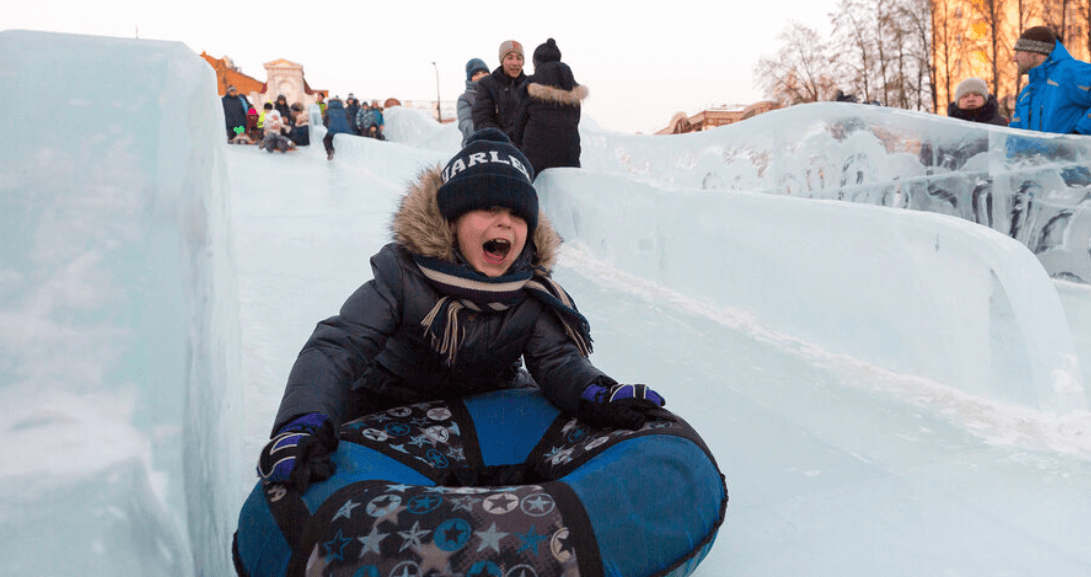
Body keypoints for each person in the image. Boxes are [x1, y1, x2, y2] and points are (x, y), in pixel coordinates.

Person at [256, 129, 669, 491]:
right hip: (387, 406)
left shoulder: (530, 291)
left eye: (516, 214)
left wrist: (597, 392)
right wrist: (303, 421)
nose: (505, 224)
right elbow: (337, 347)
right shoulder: (403, 275)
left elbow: (558, 360)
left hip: (484, 413)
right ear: (453, 219)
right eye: (489, 209)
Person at [515, 38, 589, 177]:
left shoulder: (529, 86)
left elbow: (519, 126)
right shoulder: (573, 89)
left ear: (536, 62)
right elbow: (575, 121)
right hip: (569, 158)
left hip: (535, 161)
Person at [1010, 26, 1091, 134]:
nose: (1014, 59)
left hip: (1076, 150)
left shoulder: (1068, 72)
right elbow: (1014, 137)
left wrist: (1079, 133)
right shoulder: (1026, 94)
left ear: (1035, 53)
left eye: (1018, 52)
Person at [471, 40, 527, 143]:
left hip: (526, 149)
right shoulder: (487, 84)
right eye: (510, 58)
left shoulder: (529, 84)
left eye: (519, 58)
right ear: (502, 60)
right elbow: (482, 119)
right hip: (499, 146)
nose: (515, 63)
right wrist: (503, 141)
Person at [457, 58, 490, 146]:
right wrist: (488, 132)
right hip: (474, 145)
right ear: (470, 78)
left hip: (499, 144)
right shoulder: (464, 99)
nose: (481, 76)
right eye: (476, 74)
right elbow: (465, 124)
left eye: (484, 72)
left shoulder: (498, 93)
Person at [322, 96, 353, 160]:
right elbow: (349, 120)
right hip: (346, 130)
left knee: (326, 140)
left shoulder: (328, 110)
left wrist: (329, 128)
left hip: (333, 129)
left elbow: (324, 122)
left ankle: (330, 151)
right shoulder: (345, 110)